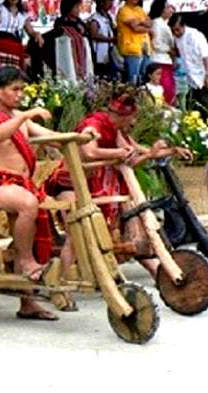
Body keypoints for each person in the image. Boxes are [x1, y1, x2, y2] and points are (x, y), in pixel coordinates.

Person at [0, 66, 78, 320]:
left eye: (22, 89)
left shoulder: (20, 118)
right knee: (29, 203)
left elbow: (52, 137)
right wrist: (24, 116)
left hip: (22, 184)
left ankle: (28, 303)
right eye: (15, 89)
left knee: (39, 210)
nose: (20, 94)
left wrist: (80, 136)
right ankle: (27, 259)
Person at [75, 94, 192, 277]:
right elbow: (89, 152)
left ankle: (158, 271)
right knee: (89, 235)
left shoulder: (117, 131)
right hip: (84, 184)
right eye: (132, 117)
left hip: (112, 186)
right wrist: (123, 152)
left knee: (134, 226)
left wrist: (173, 151)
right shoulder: (94, 124)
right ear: (123, 116)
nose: (135, 121)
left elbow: (138, 154)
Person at [169, 14, 208, 117]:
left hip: (207, 72)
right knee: (197, 102)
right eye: (173, 30)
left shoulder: (195, 36)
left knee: (205, 100)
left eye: (177, 30)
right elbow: (179, 51)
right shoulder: (176, 37)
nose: (175, 33)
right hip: (193, 75)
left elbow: (206, 57)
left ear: (184, 26)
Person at [0, 0, 43, 69]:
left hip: (15, 42)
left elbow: (31, 31)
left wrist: (37, 34)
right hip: (0, 41)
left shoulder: (22, 14)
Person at [117, 0, 152, 85]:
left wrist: (139, 22)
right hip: (132, 49)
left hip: (145, 48)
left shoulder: (140, 9)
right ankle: (132, 96)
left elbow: (150, 23)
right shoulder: (123, 10)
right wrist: (144, 24)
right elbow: (135, 28)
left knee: (145, 76)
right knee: (133, 78)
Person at [148, 0, 176, 105]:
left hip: (166, 60)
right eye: (168, 7)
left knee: (169, 90)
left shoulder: (164, 23)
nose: (171, 10)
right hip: (159, 60)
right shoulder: (157, 23)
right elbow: (156, 44)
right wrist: (170, 50)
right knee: (165, 90)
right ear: (162, 9)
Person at [88, 0, 117, 78]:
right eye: (109, 1)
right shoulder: (95, 18)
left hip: (109, 52)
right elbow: (94, 34)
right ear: (102, 3)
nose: (111, 3)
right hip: (99, 53)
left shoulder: (109, 16)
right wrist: (109, 39)